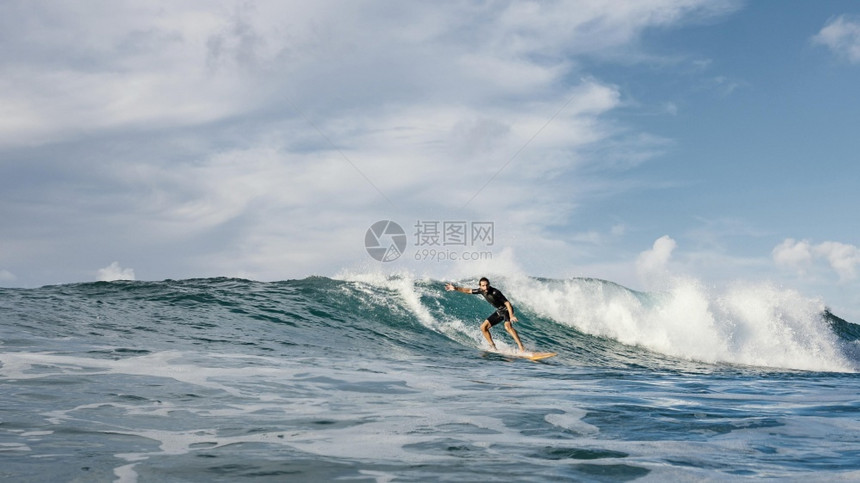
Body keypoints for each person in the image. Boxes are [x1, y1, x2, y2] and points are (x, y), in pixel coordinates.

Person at [445, 277, 526, 353]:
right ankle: (493, 346)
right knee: (483, 327)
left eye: (487, 285)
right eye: (483, 286)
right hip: (499, 311)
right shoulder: (481, 290)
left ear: (489, 284)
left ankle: (521, 347)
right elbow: (468, 291)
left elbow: (507, 303)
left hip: (506, 310)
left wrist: (511, 316)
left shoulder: (495, 292)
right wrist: (455, 288)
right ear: (480, 286)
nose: (486, 287)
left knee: (507, 327)